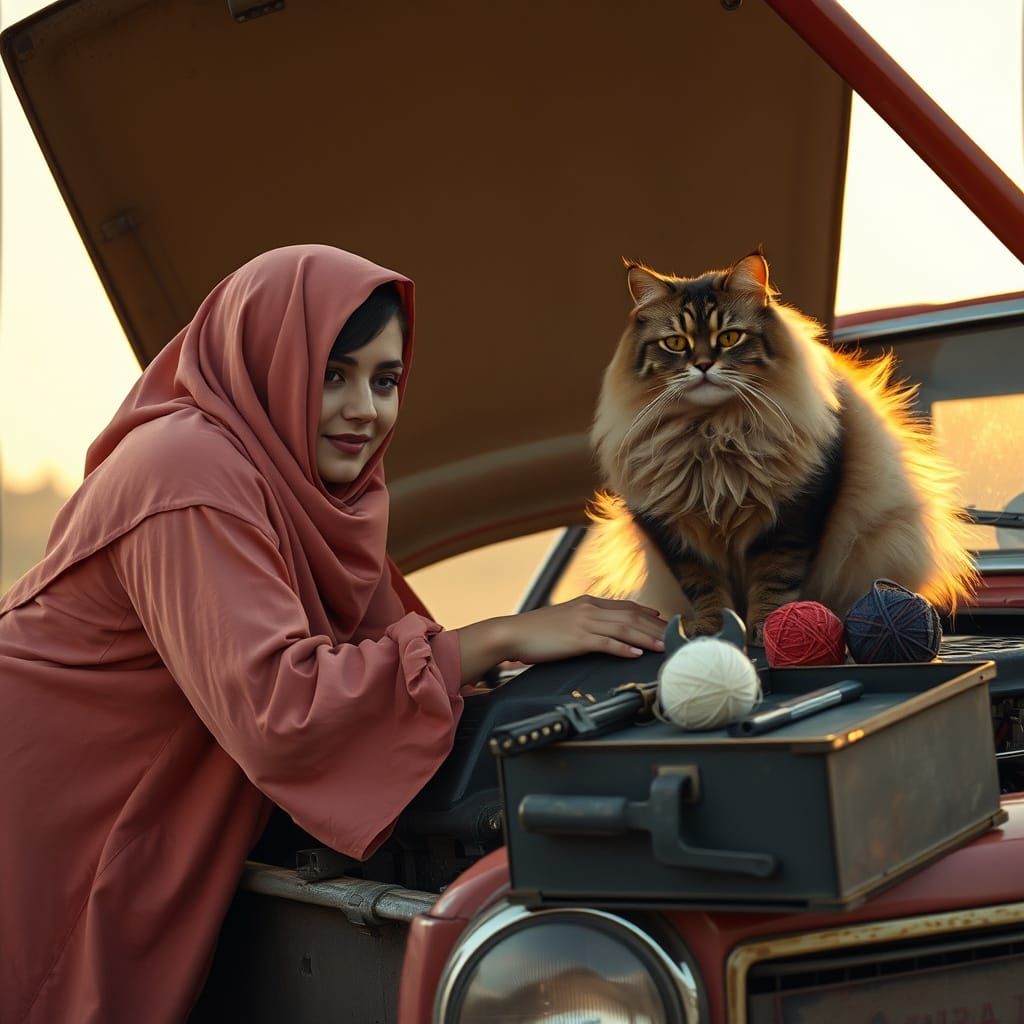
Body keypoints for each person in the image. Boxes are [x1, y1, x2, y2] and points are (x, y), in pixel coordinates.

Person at [0, 244, 665, 1023]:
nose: (365, 410)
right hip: (52, 813)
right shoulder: (185, 474)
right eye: (332, 374)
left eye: (385, 381)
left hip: (140, 814)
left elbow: (405, 650)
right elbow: (285, 708)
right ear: (267, 362)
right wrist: (503, 636)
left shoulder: (307, 496)